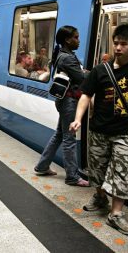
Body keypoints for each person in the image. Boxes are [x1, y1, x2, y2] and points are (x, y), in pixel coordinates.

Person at [69, 24, 128, 236]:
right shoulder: (100, 70)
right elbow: (86, 95)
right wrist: (78, 119)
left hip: (126, 132)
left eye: (123, 44)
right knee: (98, 170)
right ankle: (100, 197)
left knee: (123, 173)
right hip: (99, 130)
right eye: (116, 43)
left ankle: (116, 213)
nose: (118, 47)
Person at [34, 26, 89, 187]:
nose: (79, 41)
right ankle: (72, 176)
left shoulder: (63, 54)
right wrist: (90, 72)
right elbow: (80, 78)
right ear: (67, 40)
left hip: (64, 100)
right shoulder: (68, 58)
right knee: (69, 138)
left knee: (59, 134)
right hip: (69, 102)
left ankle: (42, 166)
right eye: (76, 38)